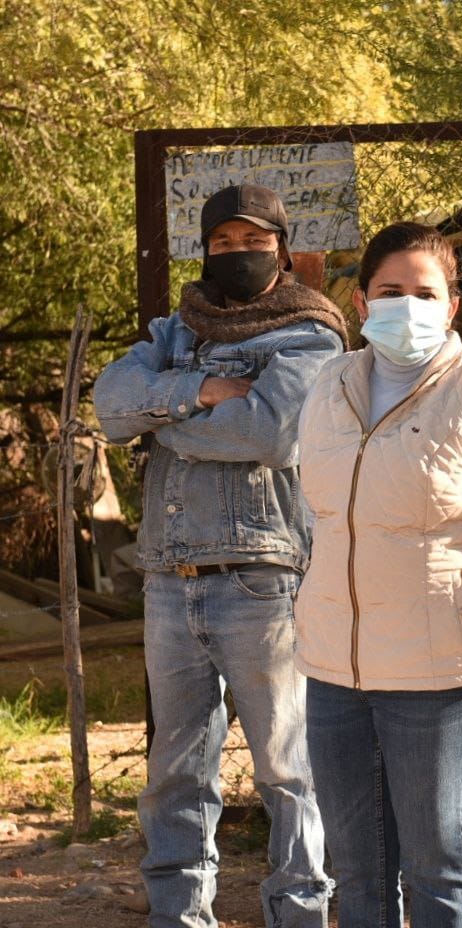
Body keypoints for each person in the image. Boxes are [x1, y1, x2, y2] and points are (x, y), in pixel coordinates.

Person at [293, 221, 462, 928]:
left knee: (436, 863)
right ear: (361, 304)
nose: (407, 306)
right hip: (335, 669)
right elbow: (320, 513)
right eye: (391, 291)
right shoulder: (328, 386)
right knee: (356, 870)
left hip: (444, 673)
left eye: (425, 293)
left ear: (451, 308)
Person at [94, 183, 345, 928]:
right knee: (175, 772)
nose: (237, 254)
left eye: (253, 240)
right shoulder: (177, 331)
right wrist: (204, 389)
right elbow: (111, 403)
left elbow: (269, 435)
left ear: (283, 245)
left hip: (259, 579)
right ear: (204, 249)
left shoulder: (310, 335)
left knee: (287, 768)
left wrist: (163, 418)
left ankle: (300, 914)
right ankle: (178, 915)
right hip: (170, 580)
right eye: (222, 243)